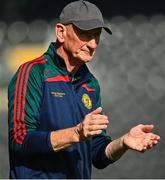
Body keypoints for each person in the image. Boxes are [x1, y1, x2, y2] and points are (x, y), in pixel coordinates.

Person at [8, 0, 160, 179]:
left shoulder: (90, 84)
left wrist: (123, 142)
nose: (93, 44)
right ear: (61, 32)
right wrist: (76, 133)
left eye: (96, 35)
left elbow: (97, 153)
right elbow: (19, 140)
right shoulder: (33, 73)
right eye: (85, 34)